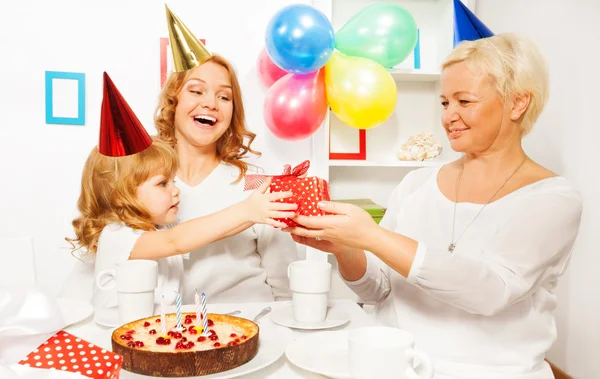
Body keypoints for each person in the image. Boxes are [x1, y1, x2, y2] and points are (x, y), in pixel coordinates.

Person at [284, 33, 583, 379]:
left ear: (517, 103)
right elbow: (379, 290)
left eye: (464, 101)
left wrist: (371, 237)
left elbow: (490, 291)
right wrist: (347, 250)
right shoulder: (417, 184)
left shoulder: (552, 199)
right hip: (392, 366)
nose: (449, 117)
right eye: (444, 103)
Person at [66, 73, 296, 311]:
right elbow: (178, 241)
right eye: (163, 184)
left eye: (224, 96)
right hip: (123, 336)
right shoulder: (118, 235)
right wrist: (247, 210)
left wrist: (253, 214)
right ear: (121, 195)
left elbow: (218, 232)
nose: (176, 191)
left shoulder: (157, 226)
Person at [153, 7, 300, 304]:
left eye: (224, 96)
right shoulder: (147, 181)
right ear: (173, 101)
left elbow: (285, 285)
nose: (211, 103)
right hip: (174, 334)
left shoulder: (254, 182)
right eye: (196, 91)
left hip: (252, 326)